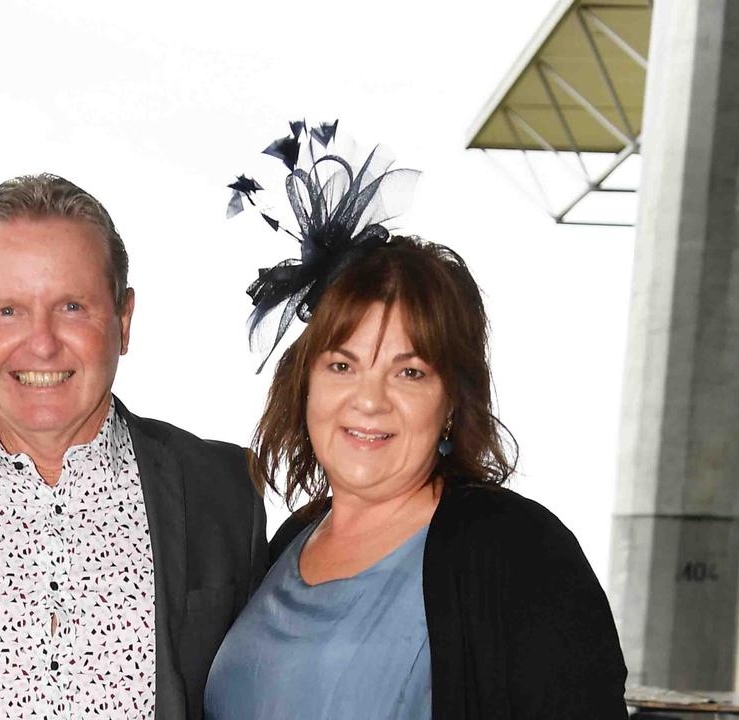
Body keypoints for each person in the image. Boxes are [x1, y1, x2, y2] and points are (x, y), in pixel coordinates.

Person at [204, 121, 628, 719]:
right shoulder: (284, 546)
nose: (369, 400)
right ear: (305, 384)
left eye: (409, 373)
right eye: (343, 365)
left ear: (451, 397)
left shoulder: (516, 551)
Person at [0, 173, 267, 720]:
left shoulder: (225, 488)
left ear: (124, 320)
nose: (41, 343)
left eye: (71, 306)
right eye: (7, 311)